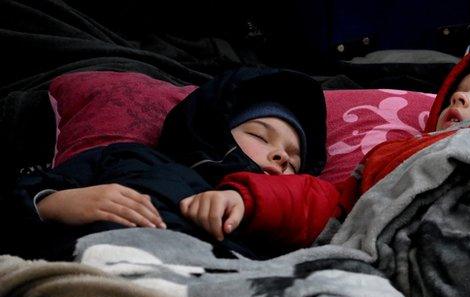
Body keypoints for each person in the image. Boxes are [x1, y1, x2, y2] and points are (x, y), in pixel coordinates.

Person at [204, 46, 470, 251]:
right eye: (459, 92)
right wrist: (250, 199)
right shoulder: (392, 157)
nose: (462, 96)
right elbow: (326, 202)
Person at [9, 67, 327, 260]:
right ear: (213, 128)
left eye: (294, 160)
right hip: (101, 267)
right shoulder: (130, 158)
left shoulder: (281, 222)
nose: (283, 156)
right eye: (259, 135)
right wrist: (51, 204)